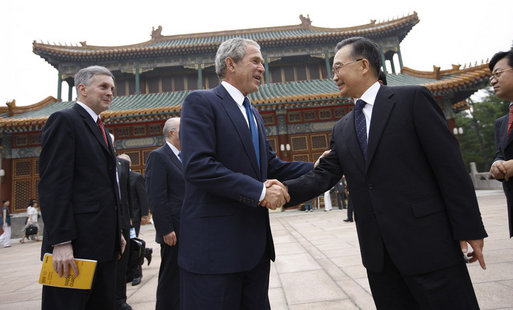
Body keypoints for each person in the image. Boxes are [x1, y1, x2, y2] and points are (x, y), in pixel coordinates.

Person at [283, 37, 487, 309]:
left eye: (338, 67)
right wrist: (281, 191)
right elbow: (323, 175)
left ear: (364, 64)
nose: (333, 76)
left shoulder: (412, 99)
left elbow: (450, 168)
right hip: (379, 256)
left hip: (428, 245)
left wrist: (470, 228)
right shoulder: (342, 128)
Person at [179, 37, 314, 309]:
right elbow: (199, 166)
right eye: (255, 61)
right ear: (230, 64)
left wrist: (325, 166)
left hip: (254, 250)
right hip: (216, 252)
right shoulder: (201, 102)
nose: (262, 68)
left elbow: (272, 166)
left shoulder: (254, 114)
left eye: (262, 62)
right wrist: (260, 191)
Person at [38, 65, 125, 310]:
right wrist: (61, 241)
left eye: (112, 89)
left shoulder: (104, 132)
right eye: (103, 87)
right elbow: (54, 184)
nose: (110, 93)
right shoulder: (64, 121)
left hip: (103, 243)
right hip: (74, 247)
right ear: (83, 89)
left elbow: (105, 187)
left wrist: (116, 231)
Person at [145, 117, 183, 310]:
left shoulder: (185, 156)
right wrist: (166, 229)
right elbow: (156, 197)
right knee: (170, 276)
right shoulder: (158, 156)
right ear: (172, 133)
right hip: (173, 232)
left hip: (188, 229)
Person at [489, 50, 513, 238]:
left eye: (498, 74)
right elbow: (501, 154)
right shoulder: (501, 123)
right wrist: (496, 165)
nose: (493, 81)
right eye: (491, 77)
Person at [118, 153, 151, 287]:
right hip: (122, 217)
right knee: (126, 246)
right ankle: (145, 254)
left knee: (133, 244)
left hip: (134, 218)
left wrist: (144, 214)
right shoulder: (118, 177)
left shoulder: (136, 177)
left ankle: (137, 272)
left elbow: (143, 196)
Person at [114, 149, 134, 310]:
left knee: (123, 260)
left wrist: (131, 217)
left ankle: (120, 298)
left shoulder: (123, 165)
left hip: (124, 218)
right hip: (105, 217)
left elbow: (127, 195)